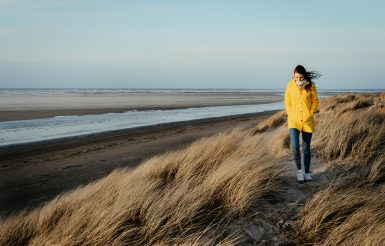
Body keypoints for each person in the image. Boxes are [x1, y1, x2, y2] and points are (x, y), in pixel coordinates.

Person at [284, 65, 320, 183]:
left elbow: (315, 101)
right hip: (294, 120)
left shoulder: (310, 85)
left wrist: (311, 112)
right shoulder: (290, 85)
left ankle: (307, 171)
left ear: (304, 76)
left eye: (300, 77)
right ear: (294, 76)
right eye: (296, 77)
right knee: (295, 146)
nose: (298, 80)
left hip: (307, 121)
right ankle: (299, 171)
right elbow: (287, 101)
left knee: (306, 148)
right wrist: (290, 113)